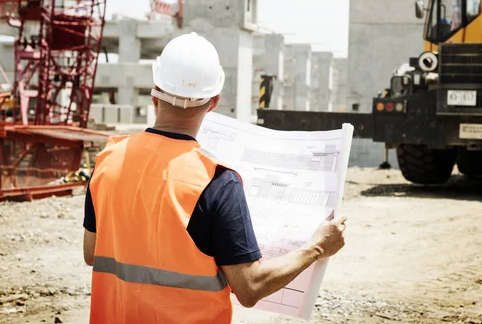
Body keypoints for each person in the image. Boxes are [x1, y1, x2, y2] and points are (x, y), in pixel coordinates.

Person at [83, 32, 347, 324]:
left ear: (155, 92)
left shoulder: (107, 160)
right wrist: (317, 247)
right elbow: (249, 288)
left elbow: (92, 252)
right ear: (213, 101)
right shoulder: (217, 181)